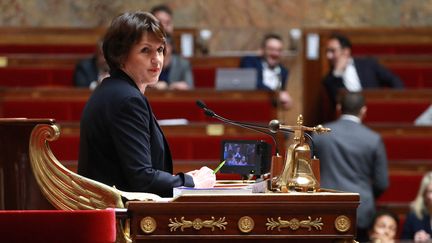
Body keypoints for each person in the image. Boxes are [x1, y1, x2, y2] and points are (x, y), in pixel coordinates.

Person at [77, 11, 215, 198]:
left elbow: (132, 172)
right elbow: (141, 178)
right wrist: (193, 183)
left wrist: (179, 179)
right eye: (145, 50)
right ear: (121, 55)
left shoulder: (112, 90)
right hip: (121, 219)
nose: (156, 59)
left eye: (159, 50)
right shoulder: (127, 100)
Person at [313, 92, 389, 242]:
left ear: (339, 107)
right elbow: (382, 183)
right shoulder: (373, 139)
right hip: (360, 209)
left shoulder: (319, 134)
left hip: (325, 207)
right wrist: (365, 195)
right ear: (363, 111)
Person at [322, 33, 404, 106]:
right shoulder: (329, 79)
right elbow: (336, 100)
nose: (328, 56)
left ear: (346, 51)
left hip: (374, 108)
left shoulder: (368, 64)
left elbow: (394, 79)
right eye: (327, 51)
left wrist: (397, 100)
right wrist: (337, 73)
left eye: (332, 51)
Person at [240, 33, 293, 110]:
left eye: (279, 50)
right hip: (248, 107)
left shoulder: (283, 71)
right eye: (271, 49)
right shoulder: (250, 61)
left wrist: (285, 103)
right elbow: (252, 83)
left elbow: (278, 99)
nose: (275, 54)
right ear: (262, 50)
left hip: (268, 113)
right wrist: (276, 94)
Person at [401, 171, 432, 241]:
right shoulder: (414, 217)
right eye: (431, 191)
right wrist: (413, 241)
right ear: (424, 195)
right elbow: (404, 241)